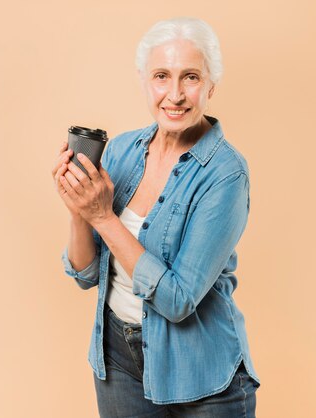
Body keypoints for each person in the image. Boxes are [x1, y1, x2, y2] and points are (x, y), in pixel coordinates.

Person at [51, 16, 261, 417]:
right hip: (118, 361)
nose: (175, 94)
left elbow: (178, 300)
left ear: (211, 85)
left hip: (202, 373)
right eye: (162, 76)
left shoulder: (225, 174)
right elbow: (85, 274)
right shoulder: (122, 150)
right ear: (145, 81)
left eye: (191, 78)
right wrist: (80, 210)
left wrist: (104, 217)